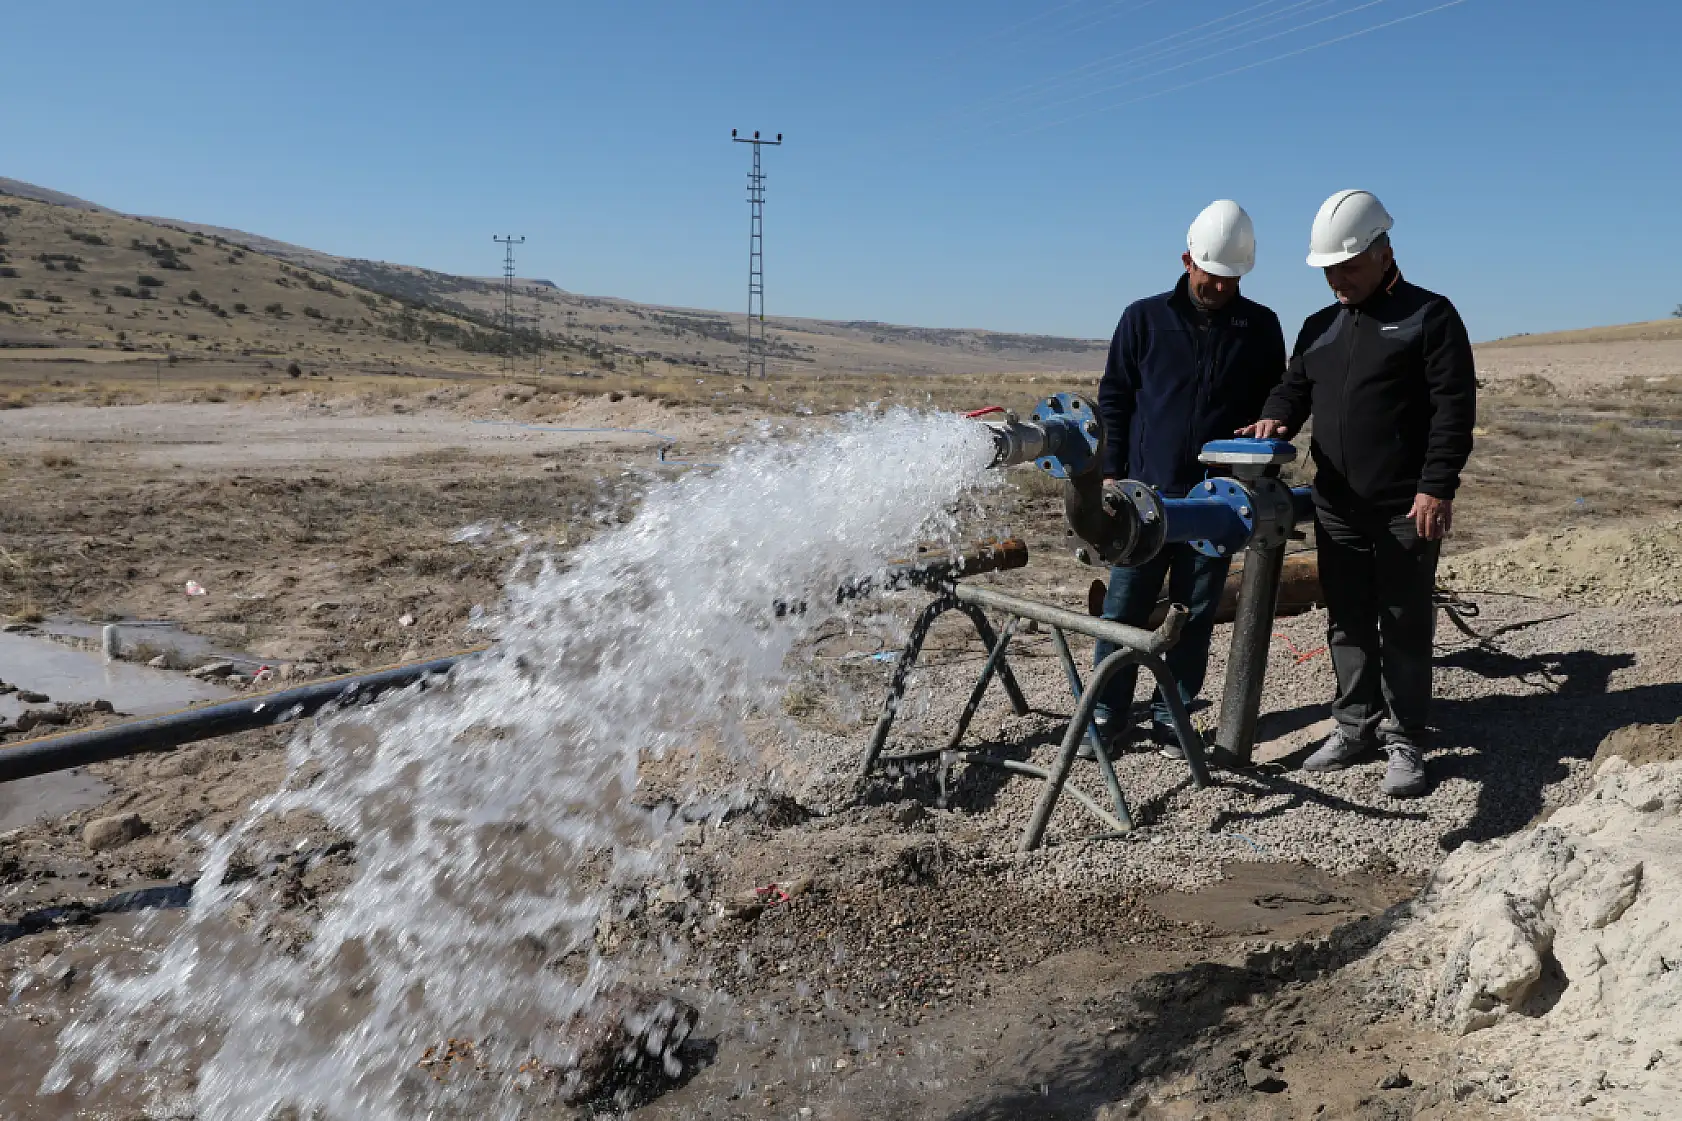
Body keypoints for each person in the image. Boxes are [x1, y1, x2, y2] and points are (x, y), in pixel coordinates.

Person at [1239, 189, 1476, 796]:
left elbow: (1453, 411)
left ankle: (1406, 738)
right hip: (1337, 506)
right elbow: (1294, 388)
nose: (1336, 280)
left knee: (1402, 622)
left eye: (1347, 267)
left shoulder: (1429, 317)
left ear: (1383, 251)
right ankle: (1354, 726)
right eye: (1328, 270)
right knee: (1346, 620)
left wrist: (1436, 487)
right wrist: (1275, 417)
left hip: (1405, 507)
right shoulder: (1320, 327)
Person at [1092, 200, 1286, 755]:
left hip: (1216, 500)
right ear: (1186, 261)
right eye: (1211, 276)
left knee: (1195, 610)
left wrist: (1271, 430)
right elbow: (1115, 398)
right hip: (1145, 497)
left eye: (1231, 279)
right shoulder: (1144, 318)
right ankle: (1106, 713)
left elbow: (1278, 395)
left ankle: (1170, 714)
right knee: (1124, 606)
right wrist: (1111, 475)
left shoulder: (1260, 326)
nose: (1220, 288)